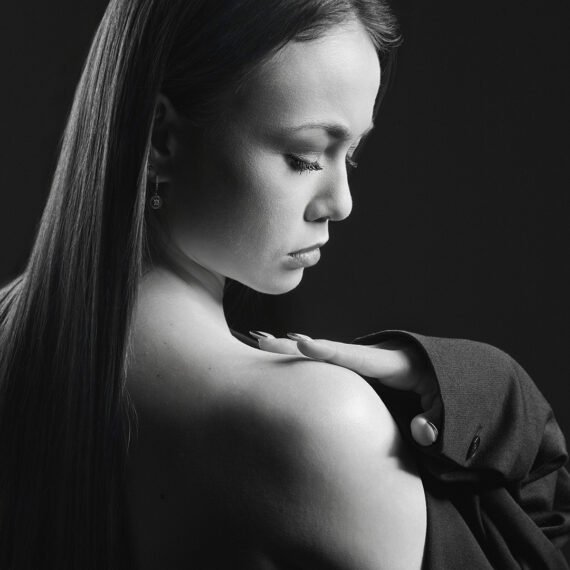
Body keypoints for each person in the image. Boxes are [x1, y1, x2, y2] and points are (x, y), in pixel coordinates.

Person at [0, 1, 568, 569]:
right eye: (304, 157)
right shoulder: (323, 424)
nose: (341, 204)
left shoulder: (13, 339)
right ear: (161, 138)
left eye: (351, 155)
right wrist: (497, 396)